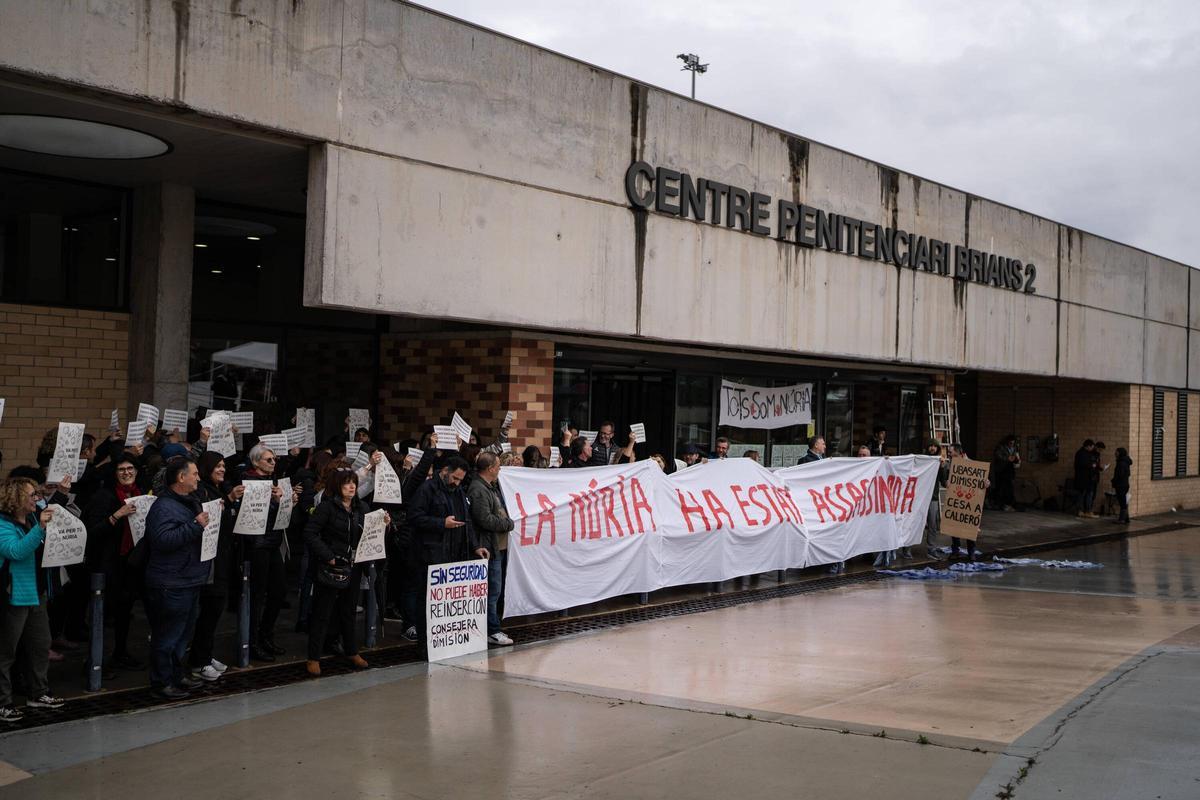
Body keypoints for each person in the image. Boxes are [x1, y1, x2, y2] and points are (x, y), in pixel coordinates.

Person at [302, 468, 382, 676]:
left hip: (353, 567)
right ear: (337, 486)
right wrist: (328, 555)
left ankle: (352, 651)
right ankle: (313, 657)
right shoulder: (327, 508)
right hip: (331, 566)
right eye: (347, 483)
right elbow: (310, 534)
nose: (352, 487)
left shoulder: (361, 508)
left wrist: (384, 525)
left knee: (348, 612)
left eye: (354, 483)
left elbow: (369, 533)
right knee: (322, 612)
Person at [143, 459, 210, 700]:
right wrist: (195, 525)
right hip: (170, 582)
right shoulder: (164, 507)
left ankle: (176, 674)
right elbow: (163, 540)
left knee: (182, 635)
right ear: (181, 478)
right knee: (167, 636)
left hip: (189, 578)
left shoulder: (189, 502)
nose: (198, 478)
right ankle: (161, 682)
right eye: (194, 473)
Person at [0, 478, 65, 722]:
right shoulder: (3, 525)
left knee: (40, 645)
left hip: (36, 593)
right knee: (6, 652)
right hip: (13, 595)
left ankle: (38, 692)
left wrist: (61, 492)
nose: (35, 499)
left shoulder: (31, 519)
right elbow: (15, 551)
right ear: (15, 498)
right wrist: (39, 529)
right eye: (30, 495)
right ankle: (3, 703)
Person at [81, 453, 146, 672]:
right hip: (107, 564)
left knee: (124, 612)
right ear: (114, 473)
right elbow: (92, 532)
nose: (127, 473)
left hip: (130, 563)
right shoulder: (104, 496)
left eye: (130, 469)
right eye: (121, 469)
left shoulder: (140, 494)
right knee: (104, 615)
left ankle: (120, 653)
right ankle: (98, 660)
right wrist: (117, 515)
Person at [187, 452, 241, 682]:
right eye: (217, 466)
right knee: (209, 610)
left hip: (221, 559)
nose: (222, 469)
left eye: (223, 466)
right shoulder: (202, 492)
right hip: (208, 561)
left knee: (215, 610)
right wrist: (228, 500)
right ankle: (199, 661)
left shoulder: (217, 490)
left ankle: (205, 656)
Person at [239, 444, 290, 662]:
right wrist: (277, 503)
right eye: (269, 460)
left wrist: (287, 502)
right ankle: (253, 642)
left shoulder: (275, 482)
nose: (273, 463)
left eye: (274, 459)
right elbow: (253, 514)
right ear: (256, 462)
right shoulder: (247, 482)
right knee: (257, 595)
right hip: (257, 544)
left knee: (278, 591)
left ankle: (266, 634)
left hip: (274, 541)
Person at [467, 452, 514, 646]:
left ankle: (492, 627)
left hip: (496, 547)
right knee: (492, 591)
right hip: (489, 547)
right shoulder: (478, 490)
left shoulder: (488, 487)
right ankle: (492, 630)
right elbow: (484, 519)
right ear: (490, 468)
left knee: (495, 590)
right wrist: (507, 524)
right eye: (498, 466)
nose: (500, 469)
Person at [407, 456, 483, 567]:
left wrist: (475, 547)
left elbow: (466, 520)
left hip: (454, 556)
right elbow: (414, 517)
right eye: (455, 478)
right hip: (431, 556)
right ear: (445, 470)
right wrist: (442, 523)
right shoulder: (427, 489)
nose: (457, 483)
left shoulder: (459, 492)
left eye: (460, 480)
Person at [924, 440, 949, 559]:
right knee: (913, 523)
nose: (932, 448)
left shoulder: (939, 462)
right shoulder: (922, 459)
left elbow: (943, 481)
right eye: (931, 446)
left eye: (935, 446)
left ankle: (931, 549)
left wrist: (943, 467)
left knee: (932, 524)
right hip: (919, 496)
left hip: (932, 496)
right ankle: (907, 549)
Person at [991, 434, 1021, 511]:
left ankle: (1007, 504)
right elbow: (997, 455)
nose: (1011, 445)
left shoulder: (1014, 449)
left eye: (1013, 443)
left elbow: (1015, 458)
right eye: (1010, 443)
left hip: (1009, 470)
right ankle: (997, 503)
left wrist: (1016, 460)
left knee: (1009, 487)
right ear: (1007, 442)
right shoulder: (1001, 447)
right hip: (1001, 470)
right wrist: (1007, 458)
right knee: (999, 487)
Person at [1073, 439, 1098, 518]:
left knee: (1086, 495)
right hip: (1084, 478)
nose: (1092, 449)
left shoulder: (1085, 453)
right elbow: (1082, 465)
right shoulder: (1081, 453)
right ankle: (1083, 511)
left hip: (1086, 478)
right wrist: (1092, 465)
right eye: (1092, 447)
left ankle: (1085, 510)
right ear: (1088, 446)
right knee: (1084, 495)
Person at [1112, 447, 1132, 524]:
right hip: (1125, 484)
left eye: (1116, 452)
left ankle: (1122, 519)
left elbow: (1120, 474)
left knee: (1122, 502)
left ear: (1120, 453)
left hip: (1121, 485)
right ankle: (1126, 518)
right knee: (1123, 501)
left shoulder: (1121, 463)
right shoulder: (1125, 462)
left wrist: (1114, 480)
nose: (1115, 453)